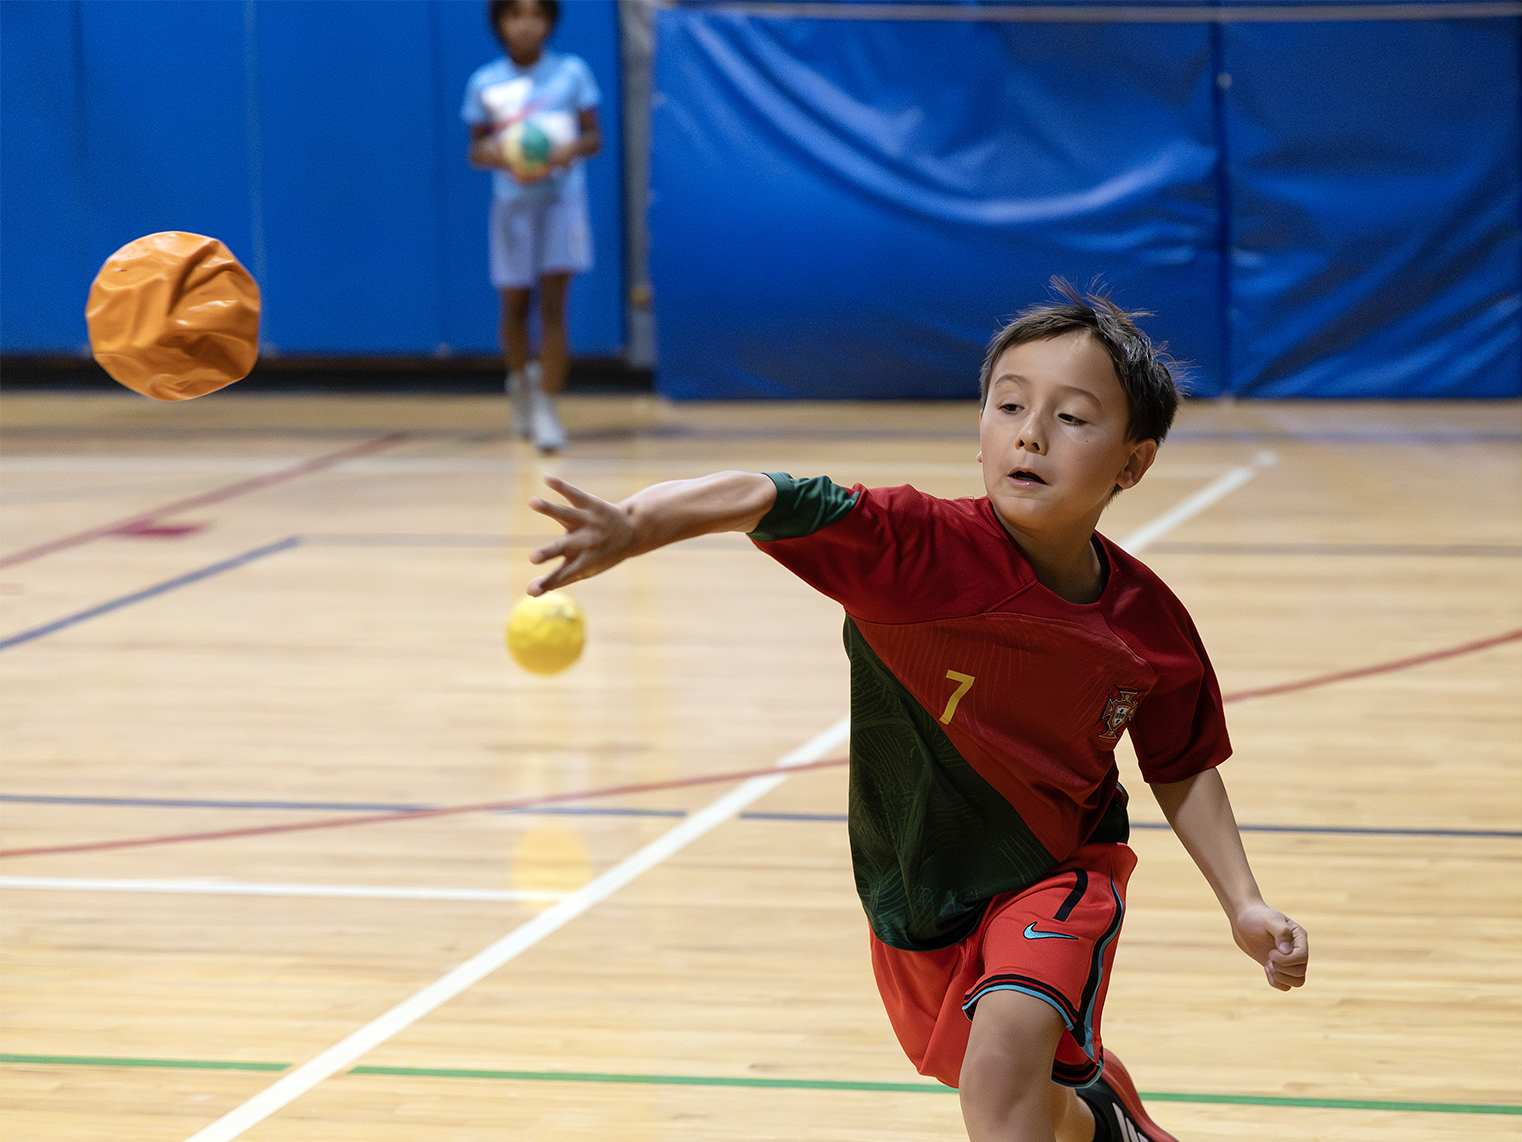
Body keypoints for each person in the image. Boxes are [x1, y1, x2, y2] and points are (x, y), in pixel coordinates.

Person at [522, 285, 1310, 1142]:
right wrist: (637, 521)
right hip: (916, 903)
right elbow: (767, 494)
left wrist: (1244, 904)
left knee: (1005, 1056)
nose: (1030, 433)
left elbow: (1184, 763)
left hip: (1059, 872)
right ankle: (1099, 1121)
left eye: (1072, 418)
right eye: (1008, 405)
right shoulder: (913, 549)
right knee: (1005, 1092)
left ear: (1134, 461)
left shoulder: (1147, 625)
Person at [463, 0, 601, 452]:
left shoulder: (572, 74)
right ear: (499, 22)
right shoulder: (485, 82)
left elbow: (592, 137)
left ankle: (547, 405)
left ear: (550, 22)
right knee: (516, 305)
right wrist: (500, 155)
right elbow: (477, 150)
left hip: (562, 201)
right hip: (513, 206)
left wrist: (567, 151)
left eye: (536, 15)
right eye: (515, 15)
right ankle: (519, 380)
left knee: (555, 305)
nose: (525, 25)